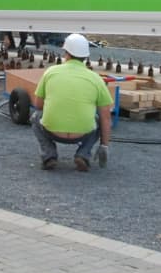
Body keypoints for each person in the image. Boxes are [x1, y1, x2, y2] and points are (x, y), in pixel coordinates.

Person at [32, 33, 112, 171]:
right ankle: (83, 154)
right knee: (99, 120)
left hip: (52, 131)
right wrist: (104, 145)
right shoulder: (96, 79)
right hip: (82, 133)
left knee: (35, 117)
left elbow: (38, 105)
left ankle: (49, 156)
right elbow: (106, 116)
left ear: (66, 53)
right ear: (86, 56)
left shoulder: (50, 72)